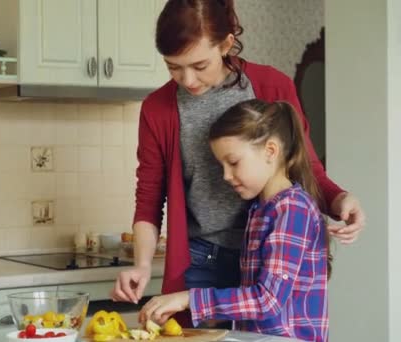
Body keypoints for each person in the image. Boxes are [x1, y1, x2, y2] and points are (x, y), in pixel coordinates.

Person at [110, 0, 365, 327]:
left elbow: (306, 165)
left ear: (227, 43)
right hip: (200, 257)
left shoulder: (272, 86)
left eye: (199, 65)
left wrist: (341, 199)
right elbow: (148, 199)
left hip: (269, 254)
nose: (187, 79)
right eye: (173, 66)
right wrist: (142, 265)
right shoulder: (158, 108)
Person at [138, 99, 330, 342]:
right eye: (222, 166)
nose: (226, 176)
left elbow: (267, 301)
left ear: (270, 151)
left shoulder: (292, 209)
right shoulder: (261, 209)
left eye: (234, 162)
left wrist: (187, 299)